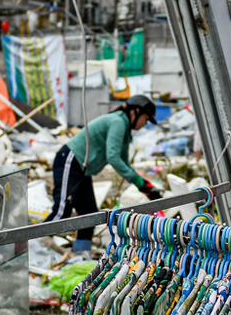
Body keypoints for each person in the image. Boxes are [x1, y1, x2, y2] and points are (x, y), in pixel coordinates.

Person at [50, 94, 161, 251]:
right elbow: (113, 157)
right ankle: (34, 244)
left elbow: (124, 162)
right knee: (62, 211)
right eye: (145, 118)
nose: (145, 123)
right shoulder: (118, 122)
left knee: (89, 213)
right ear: (135, 112)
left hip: (82, 169)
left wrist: (144, 185)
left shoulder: (124, 128)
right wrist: (137, 181)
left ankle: (81, 253)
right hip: (71, 160)